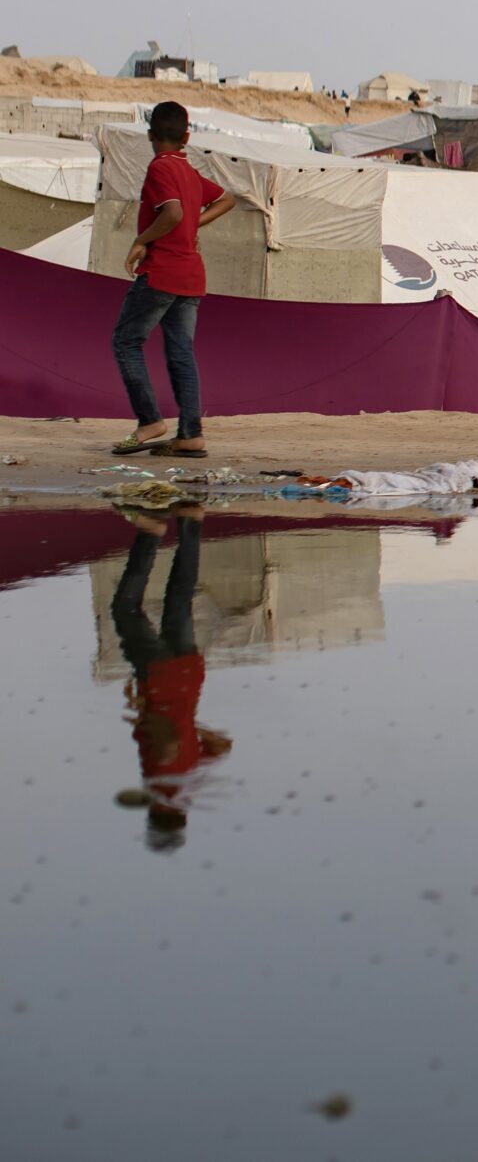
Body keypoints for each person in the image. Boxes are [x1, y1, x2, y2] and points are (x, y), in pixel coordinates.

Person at [110, 102, 237, 459]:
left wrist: (141, 241)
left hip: (162, 271)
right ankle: (191, 434)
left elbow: (173, 212)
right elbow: (227, 199)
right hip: (192, 276)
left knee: (125, 342)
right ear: (186, 137)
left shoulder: (160, 168)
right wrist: (194, 226)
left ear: (150, 135)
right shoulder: (188, 170)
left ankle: (149, 420)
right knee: (181, 353)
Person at [109, 504, 229, 851]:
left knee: (180, 599)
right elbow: (167, 745)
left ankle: (190, 521)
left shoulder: (190, 777)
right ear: (159, 813)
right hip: (159, 676)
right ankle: (149, 532)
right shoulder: (162, 783)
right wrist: (145, 712)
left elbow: (222, 746)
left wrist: (189, 724)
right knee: (125, 611)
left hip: (190, 675)